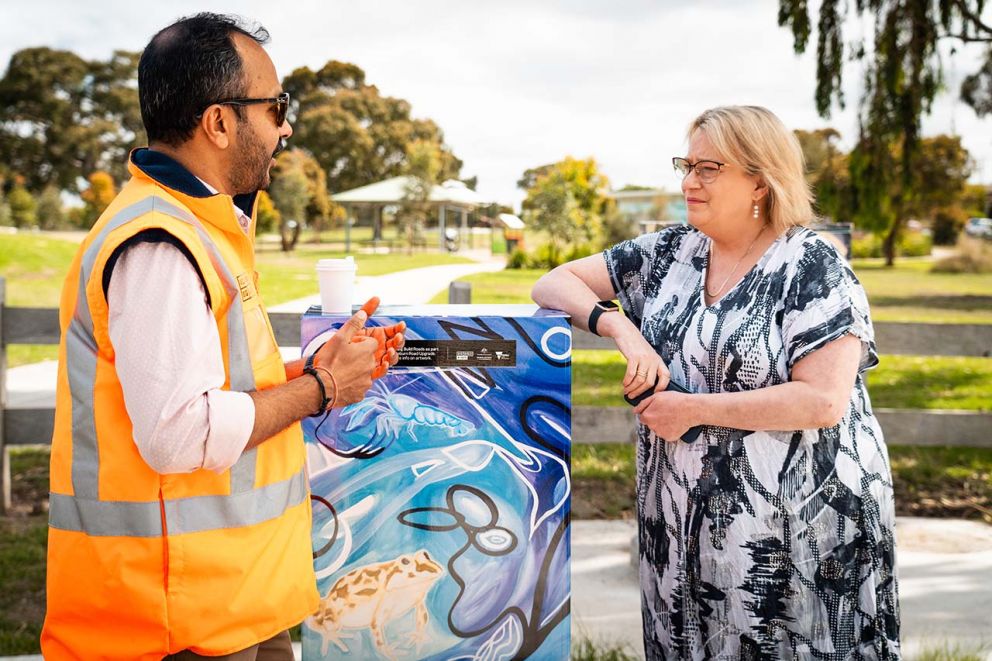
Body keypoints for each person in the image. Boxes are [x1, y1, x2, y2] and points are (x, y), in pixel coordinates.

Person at [41, 13, 403, 660]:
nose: (286, 125)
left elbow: (215, 384)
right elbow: (181, 431)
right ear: (219, 121)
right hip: (172, 621)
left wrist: (312, 369)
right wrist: (322, 389)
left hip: (229, 601)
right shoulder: (160, 243)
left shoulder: (202, 227)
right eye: (276, 106)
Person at [532, 106, 900, 659]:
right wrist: (619, 327)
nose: (688, 182)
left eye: (709, 168)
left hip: (793, 538)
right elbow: (552, 282)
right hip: (680, 532)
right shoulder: (670, 252)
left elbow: (823, 400)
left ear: (761, 179)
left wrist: (693, 410)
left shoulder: (812, 266)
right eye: (687, 164)